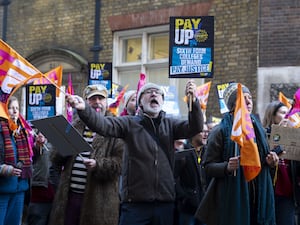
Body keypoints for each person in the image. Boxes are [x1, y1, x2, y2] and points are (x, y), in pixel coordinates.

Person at [66, 80, 204, 225]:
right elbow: (103, 125)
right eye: (148, 92)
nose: (154, 94)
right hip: (135, 205)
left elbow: (195, 127)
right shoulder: (128, 123)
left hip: (165, 203)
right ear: (140, 103)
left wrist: (193, 102)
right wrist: (83, 109)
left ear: (162, 101)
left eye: (158, 93)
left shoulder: (171, 124)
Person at [196, 83, 278, 225]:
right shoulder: (220, 131)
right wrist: (226, 167)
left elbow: (263, 163)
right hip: (233, 199)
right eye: (243, 98)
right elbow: (207, 167)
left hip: (259, 198)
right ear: (233, 104)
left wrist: (271, 162)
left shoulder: (260, 130)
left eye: (250, 98)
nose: (248, 102)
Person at [48, 84, 124, 225]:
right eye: (92, 99)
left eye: (100, 98)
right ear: (86, 102)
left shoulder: (116, 127)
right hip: (69, 197)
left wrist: (98, 165)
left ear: (106, 102)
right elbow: (55, 159)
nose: (97, 102)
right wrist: (60, 146)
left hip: (99, 200)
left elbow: (120, 163)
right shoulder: (74, 125)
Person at [262, 101, 300, 225]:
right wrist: (280, 135)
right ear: (272, 115)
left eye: (288, 114)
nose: (286, 117)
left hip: (287, 196)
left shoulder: (293, 138)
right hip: (268, 193)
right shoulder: (263, 135)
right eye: (283, 113)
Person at [0, 96, 32, 225]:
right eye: (11, 108)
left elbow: (29, 157)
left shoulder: (22, 132)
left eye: (17, 108)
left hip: (20, 189)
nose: (14, 111)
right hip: (2, 190)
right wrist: (5, 169)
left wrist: (38, 146)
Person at [174, 123, 209, 225]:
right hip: (188, 210)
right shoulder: (182, 154)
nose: (206, 135)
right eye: (202, 131)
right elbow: (174, 179)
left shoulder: (208, 153)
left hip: (205, 209)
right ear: (193, 133)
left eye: (207, 132)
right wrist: (185, 197)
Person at [27, 131, 59, 225]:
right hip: (41, 189)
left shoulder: (61, 139)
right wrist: (38, 145)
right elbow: (32, 156)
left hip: (57, 191)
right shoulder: (39, 138)